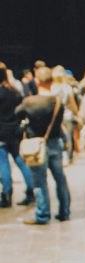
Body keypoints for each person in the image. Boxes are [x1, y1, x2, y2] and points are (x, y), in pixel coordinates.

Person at [15, 70, 71, 224]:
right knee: (60, 179)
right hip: (54, 143)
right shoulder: (57, 101)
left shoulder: (29, 102)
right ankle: (64, 212)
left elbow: (17, 113)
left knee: (39, 182)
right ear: (51, 81)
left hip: (36, 145)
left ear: (37, 82)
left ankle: (42, 215)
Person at [0, 62, 35, 207]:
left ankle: (6, 195)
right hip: (15, 132)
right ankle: (31, 190)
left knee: (3, 164)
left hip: (1, 133)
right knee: (20, 161)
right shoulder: (15, 91)